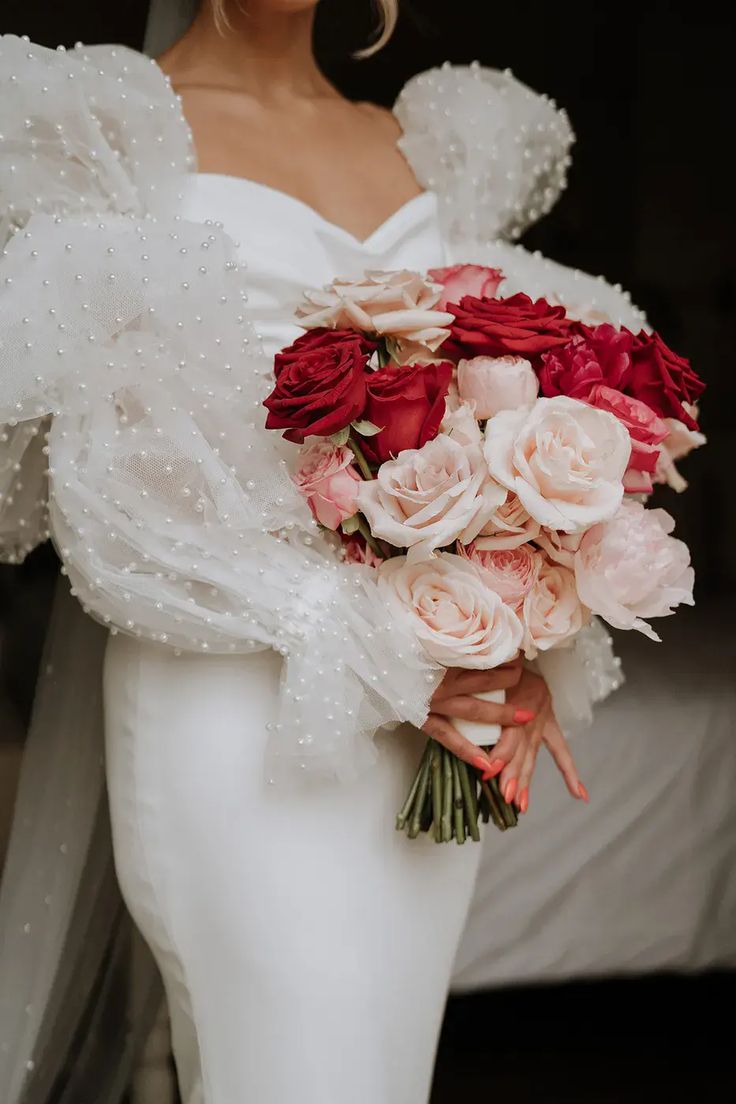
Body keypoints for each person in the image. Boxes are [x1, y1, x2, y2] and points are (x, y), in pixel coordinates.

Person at [0, 3, 639, 1101]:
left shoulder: (433, 143)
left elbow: (510, 414)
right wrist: (393, 637)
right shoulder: (111, 135)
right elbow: (115, 508)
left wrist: (523, 609)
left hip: (436, 711)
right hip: (238, 698)